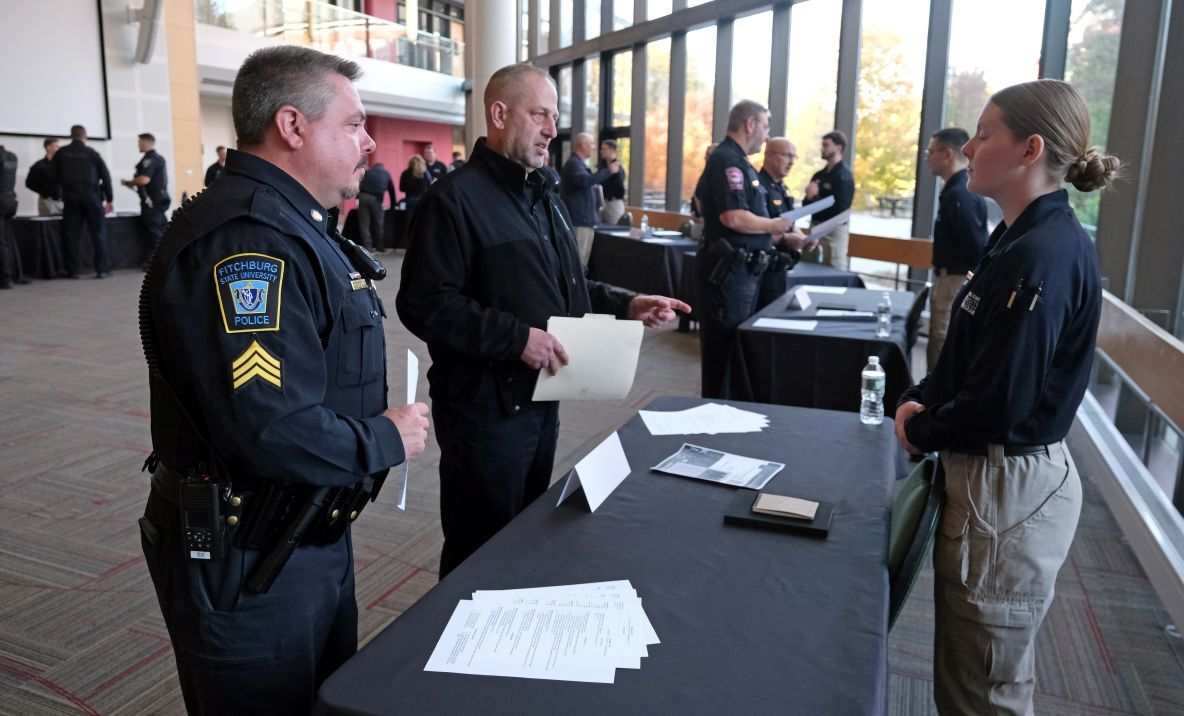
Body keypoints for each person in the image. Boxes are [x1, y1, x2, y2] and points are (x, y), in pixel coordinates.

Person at [138, 45, 429, 715]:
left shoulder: (297, 228)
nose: (369, 141)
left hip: (303, 531)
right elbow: (270, 426)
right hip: (249, 557)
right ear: (294, 127)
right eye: (353, 125)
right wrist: (381, 439)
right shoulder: (248, 245)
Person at [395, 62, 689, 578]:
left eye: (554, 116)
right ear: (500, 113)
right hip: (483, 410)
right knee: (479, 550)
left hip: (541, 400)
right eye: (540, 114)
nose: (552, 129)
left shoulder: (543, 196)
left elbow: (565, 287)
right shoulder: (454, 200)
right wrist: (516, 340)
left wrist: (626, 303)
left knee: (524, 537)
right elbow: (424, 303)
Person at [893, 79, 1119, 716]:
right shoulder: (1015, 238)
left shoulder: (1042, 253)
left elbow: (1002, 401)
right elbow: (968, 354)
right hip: (991, 479)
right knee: (968, 674)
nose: (969, 147)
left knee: (984, 692)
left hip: (1006, 490)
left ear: (1030, 150)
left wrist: (923, 426)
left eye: (985, 133)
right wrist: (919, 399)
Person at [694, 100, 815, 399]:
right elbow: (733, 217)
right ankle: (712, 420)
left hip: (743, 274)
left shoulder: (739, 163)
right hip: (728, 276)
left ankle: (724, 414)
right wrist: (776, 225)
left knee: (734, 352)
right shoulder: (727, 160)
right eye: (765, 124)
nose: (766, 133)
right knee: (722, 355)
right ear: (750, 124)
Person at [924, 127, 988, 370]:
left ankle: (933, 402)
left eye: (931, 151)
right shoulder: (956, 188)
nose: (928, 157)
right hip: (949, 277)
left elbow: (975, 245)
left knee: (942, 340)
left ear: (948, 154)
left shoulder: (961, 192)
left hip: (956, 279)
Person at [51, 124, 114, 279]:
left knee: (71, 235)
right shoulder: (92, 153)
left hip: (70, 197)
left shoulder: (61, 153)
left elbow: (52, 176)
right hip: (91, 196)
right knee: (98, 234)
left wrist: (56, 194)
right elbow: (106, 177)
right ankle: (103, 270)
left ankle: (73, 271)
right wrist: (110, 199)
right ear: (85, 136)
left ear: (71, 135)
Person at [754, 136, 799, 309]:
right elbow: (756, 230)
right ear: (770, 155)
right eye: (787, 156)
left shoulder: (782, 188)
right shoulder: (758, 187)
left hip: (780, 264)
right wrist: (786, 239)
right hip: (762, 266)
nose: (791, 162)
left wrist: (803, 238)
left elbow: (790, 222)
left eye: (794, 157)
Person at [560, 132, 618, 263]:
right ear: (582, 145)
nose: (593, 148)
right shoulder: (573, 164)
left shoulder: (580, 164)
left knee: (582, 263)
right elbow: (585, 181)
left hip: (585, 221)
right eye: (592, 144)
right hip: (579, 221)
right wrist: (608, 171)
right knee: (578, 263)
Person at [803, 130, 855, 269]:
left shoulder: (844, 175)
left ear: (838, 147)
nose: (822, 149)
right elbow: (805, 205)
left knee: (833, 266)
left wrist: (816, 197)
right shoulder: (819, 175)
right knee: (809, 266)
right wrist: (810, 196)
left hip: (834, 230)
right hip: (815, 228)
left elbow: (840, 208)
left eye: (826, 145)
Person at [122, 132, 170, 247]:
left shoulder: (150, 159)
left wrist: (128, 182)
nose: (138, 145)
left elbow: (144, 180)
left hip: (152, 201)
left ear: (144, 142)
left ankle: (160, 262)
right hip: (159, 197)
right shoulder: (157, 158)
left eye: (139, 142)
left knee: (154, 232)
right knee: (163, 229)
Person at [0, 144, 27, 289]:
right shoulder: (12, 156)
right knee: (7, 239)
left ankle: (6, 278)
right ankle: (15, 273)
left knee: (2, 242)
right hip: (10, 202)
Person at [357, 161, 396, 251]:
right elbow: (391, 190)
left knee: (364, 224)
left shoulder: (368, 172)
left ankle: (368, 247)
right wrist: (393, 204)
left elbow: (359, 184)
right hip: (376, 199)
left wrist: (357, 198)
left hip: (363, 197)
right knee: (378, 223)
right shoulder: (386, 173)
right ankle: (380, 246)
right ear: (382, 168)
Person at [26, 138, 63, 216]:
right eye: (56, 146)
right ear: (48, 147)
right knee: (48, 225)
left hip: (62, 201)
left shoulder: (62, 164)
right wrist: (45, 192)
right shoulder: (39, 166)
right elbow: (29, 183)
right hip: (47, 200)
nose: (59, 149)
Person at [598, 139, 627, 225]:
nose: (601, 151)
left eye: (604, 149)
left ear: (612, 150)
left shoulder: (617, 168)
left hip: (613, 205)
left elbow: (620, 190)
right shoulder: (605, 168)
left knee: (612, 233)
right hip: (604, 204)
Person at [399, 154, 431, 221]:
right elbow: (430, 186)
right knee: (422, 221)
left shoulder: (405, 173)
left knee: (409, 222)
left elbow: (401, 188)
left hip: (410, 199)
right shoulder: (425, 173)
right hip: (423, 200)